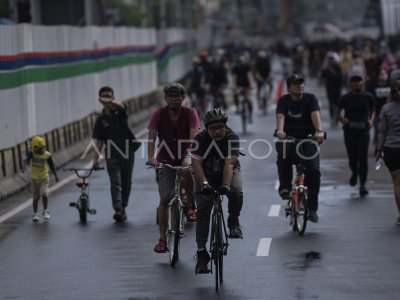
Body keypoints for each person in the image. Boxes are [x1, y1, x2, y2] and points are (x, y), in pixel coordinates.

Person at [147, 82, 200, 253]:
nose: (174, 99)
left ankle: (191, 205)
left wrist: (191, 153)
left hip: (186, 152)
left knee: (186, 169)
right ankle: (162, 239)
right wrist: (151, 157)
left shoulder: (190, 113)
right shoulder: (158, 114)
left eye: (177, 96)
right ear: (166, 98)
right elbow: (152, 137)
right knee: (164, 199)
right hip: (166, 157)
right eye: (171, 96)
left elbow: (194, 133)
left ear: (182, 98)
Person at [191, 108, 244, 274]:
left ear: (226, 126)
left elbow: (229, 164)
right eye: (213, 128)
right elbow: (196, 165)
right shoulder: (200, 139)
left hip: (227, 172)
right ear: (206, 129)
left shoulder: (232, 138)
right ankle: (201, 254)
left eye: (221, 127)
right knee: (203, 211)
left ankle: (233, 221)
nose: (217, 131)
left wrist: (226, 186)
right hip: (206, 173)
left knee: (236, 191)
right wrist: (204, 184)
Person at [275, 74, 325, 223]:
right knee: (283, 155)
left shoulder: (311, 99)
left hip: (308, 139)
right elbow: (280, 116)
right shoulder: (284, 101)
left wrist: (319, 131)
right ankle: (284, 187)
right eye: (296, 84)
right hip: (288, 138)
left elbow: (315, 115)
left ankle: (313, 209)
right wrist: (280, 131)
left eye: (302, 83)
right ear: (289, 87)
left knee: (314, 172)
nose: (300, 86)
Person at [92, 86, 140, 222]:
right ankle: (118, 209)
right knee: (115, 182)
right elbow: (99, 141)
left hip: (127, 152)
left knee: (127, 182)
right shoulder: (100, 120)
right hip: (111, 155)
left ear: (113, 97)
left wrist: (110, 102)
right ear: (100, 100)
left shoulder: (120, 112)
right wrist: (95, 159)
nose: (106, 98)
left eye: (109, 96)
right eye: (104, 96)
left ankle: (123, 205)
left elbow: (122, 108)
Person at [336, 72, 375, 197]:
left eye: (359, 81)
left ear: (363, 83)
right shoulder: (345, 97)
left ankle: (363, 184)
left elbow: (373, 110)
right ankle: (354, 172)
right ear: (350, 84)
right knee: (352, 157)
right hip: (350, 130)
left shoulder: (368, 96)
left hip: (364, 130)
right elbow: (337, 112)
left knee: (363, 157)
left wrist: (371, 120)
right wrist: (343, 120)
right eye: (354, 81)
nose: (357, 83)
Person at [376, 79, 400, 225]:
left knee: (397, 183)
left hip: (392, 149)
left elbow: (383, 131)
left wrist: (379, 149)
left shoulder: (386, 108)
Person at [22, 136, 59, 221]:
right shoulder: (31, 153)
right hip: (34, 178)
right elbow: (27, 160)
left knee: (44, 194)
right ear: (34, 149)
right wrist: (24, 165)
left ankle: (45, 211)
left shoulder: (47, 155)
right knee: (35, 197)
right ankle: (35, 214)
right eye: (38, 150)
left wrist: (56, 176)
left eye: (42, 149)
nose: (40, 151)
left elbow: (52, 166)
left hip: (44, 177)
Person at [321, 52, 343, 127]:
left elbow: (338, 76)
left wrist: (330, 69)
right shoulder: (326, 68)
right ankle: (332, 118)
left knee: (337, 104)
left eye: (332, 60)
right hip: (329, 88)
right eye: (330, 61)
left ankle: (336, 119)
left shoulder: (337, 67)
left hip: (337, 88)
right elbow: (322, 75)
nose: (331, 62)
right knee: (331, 104)